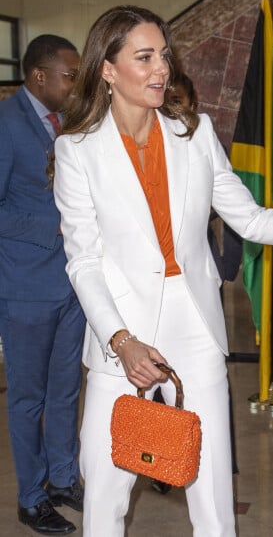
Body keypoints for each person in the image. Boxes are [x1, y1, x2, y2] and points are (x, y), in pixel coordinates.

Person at [52, 5, 273, 537]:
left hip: (195, 323)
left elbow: (252, 220)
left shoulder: (195, 133)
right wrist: (121, 341)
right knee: (104, 491)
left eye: (163, 55)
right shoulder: (77, 151)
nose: (161, 69)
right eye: (144, 58)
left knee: (211, 491)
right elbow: (85, 260)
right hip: (122, 334)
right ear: (108, 70)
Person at [0, 35, 85, 535]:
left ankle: (62, 477)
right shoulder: (6, 125)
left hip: (71, 284)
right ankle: (31, 498)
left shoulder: (68, 123)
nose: (75, 85)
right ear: (39, 76)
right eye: (69, 76)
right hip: (27, 288)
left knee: (66, 391)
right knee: (27, 399)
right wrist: (52, 225)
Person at [150, 70, 242, 496]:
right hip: (129, 325)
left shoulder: (200, 136)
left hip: (195, 305)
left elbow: (244, 216)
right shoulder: (86, 145)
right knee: (110, 483)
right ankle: (156, 462)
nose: (176, 107)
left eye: (184, 100)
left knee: (210, 464)